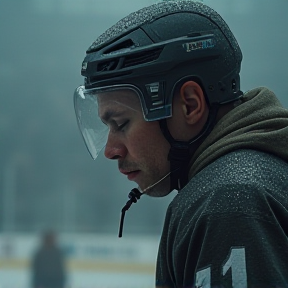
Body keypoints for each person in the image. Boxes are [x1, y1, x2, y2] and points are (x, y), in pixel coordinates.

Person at [73, 1, 288, 287]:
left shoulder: (228, 203)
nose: (111, 150)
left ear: (190, 105)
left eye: (121, 124)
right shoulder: (255, 178)